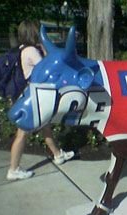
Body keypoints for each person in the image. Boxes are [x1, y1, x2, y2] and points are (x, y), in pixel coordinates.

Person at [7, 20, 75, 180]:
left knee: (46, 126)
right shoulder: (31, 51)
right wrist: (45, 49)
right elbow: (47, 67)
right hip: (31, 100)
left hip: (33, 96)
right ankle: (13, 169)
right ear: (33, 33)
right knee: (22, 135)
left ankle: (57, 155)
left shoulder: (23, 49)